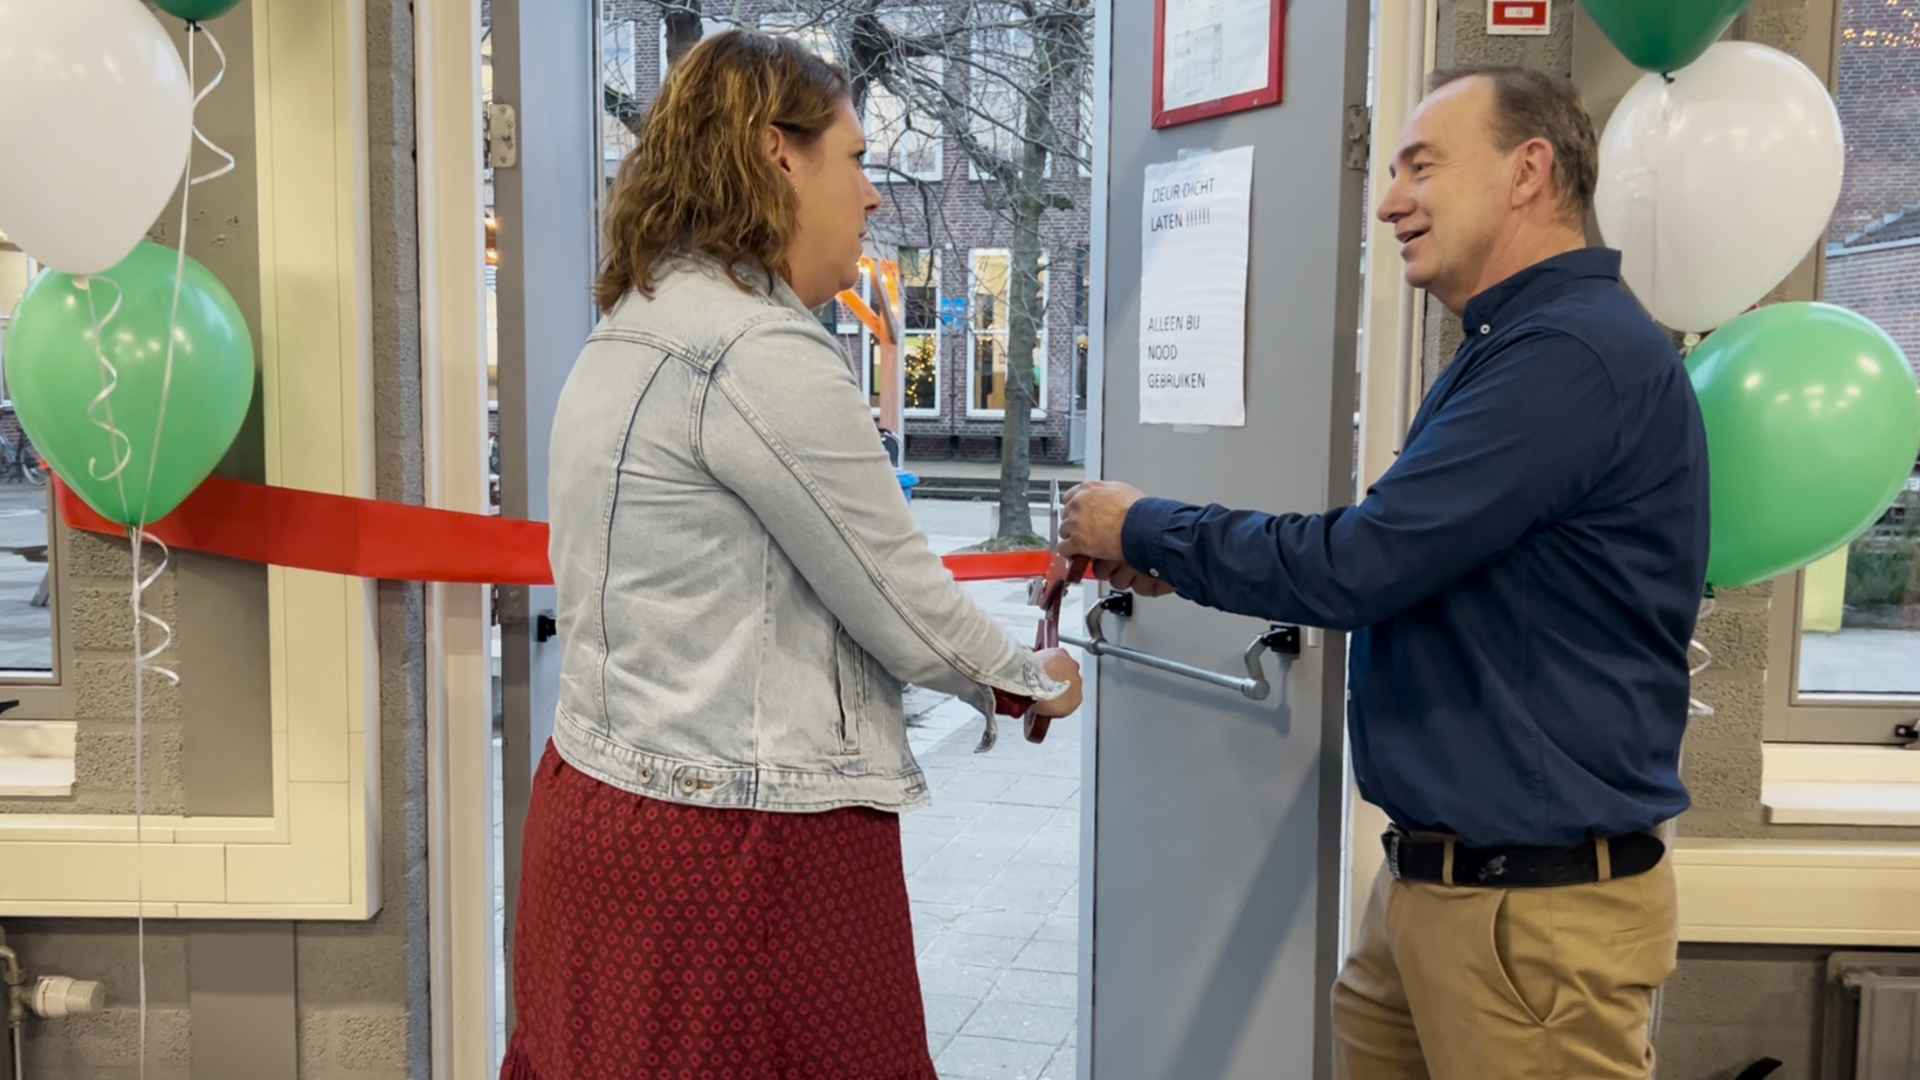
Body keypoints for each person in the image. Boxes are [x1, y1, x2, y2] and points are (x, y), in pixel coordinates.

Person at [1059, 67, 1708, 1079]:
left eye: (1422, 166)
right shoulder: (1514, 349)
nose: (1392, 197)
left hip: (1526, 920)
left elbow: (1360, 566)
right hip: (1441, 891)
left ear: (1529, 171)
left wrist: (1143, 526)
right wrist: (1171, 560)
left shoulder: (1570, 359)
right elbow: (1412, 562)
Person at [504, 30, 1083, 1080]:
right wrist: (1032, 681)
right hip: (736, 846)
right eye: (854, 160)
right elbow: (901, 604)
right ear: (779, 155)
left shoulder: (630, 321)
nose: (871, 196)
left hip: (597, 803)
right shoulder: (758, 347)